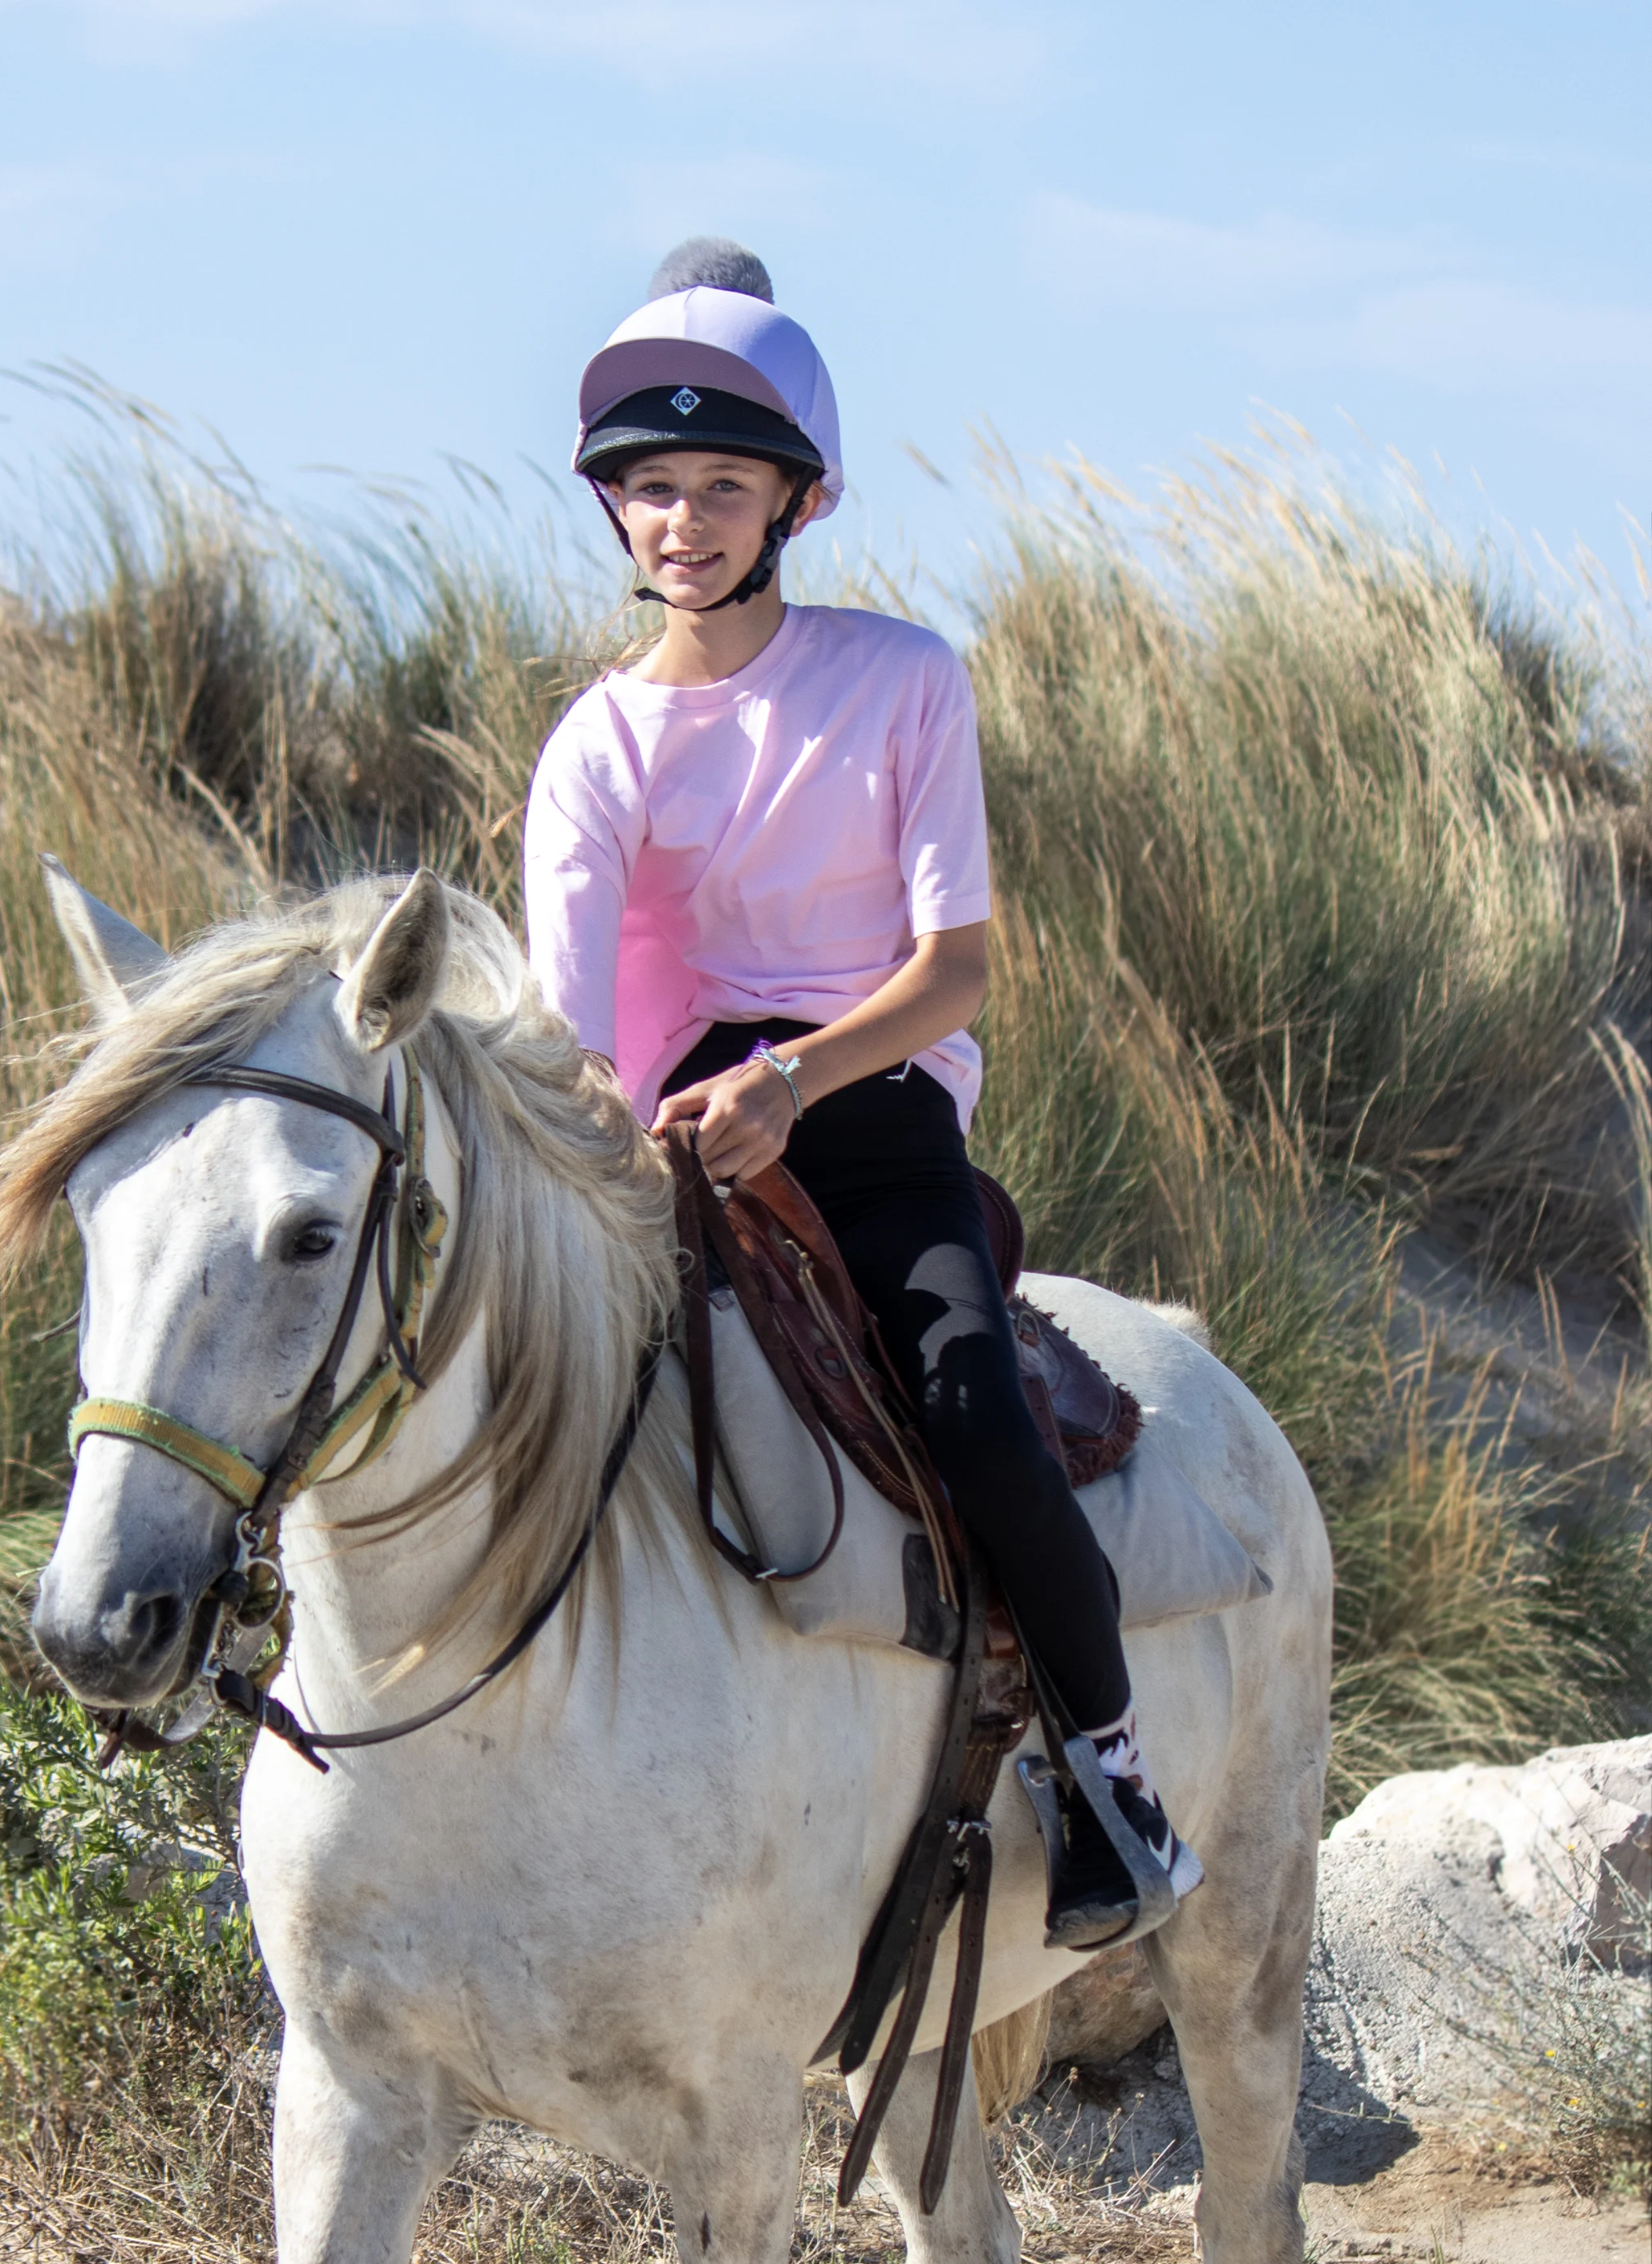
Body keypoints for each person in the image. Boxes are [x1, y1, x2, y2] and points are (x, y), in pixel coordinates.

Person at [522, 236, 1201, 1951]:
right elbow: (572, 1023)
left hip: (875, 1123)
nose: (684, 520)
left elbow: (952, 972)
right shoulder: (592, 750)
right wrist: (631, 1111)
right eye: (652, 487)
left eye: (724, 485)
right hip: (669, 1145)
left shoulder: (904, 680)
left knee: (973, 1400)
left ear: (796, 503)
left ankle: (1110, 1770)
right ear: (617, 509)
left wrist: (793, 1077)